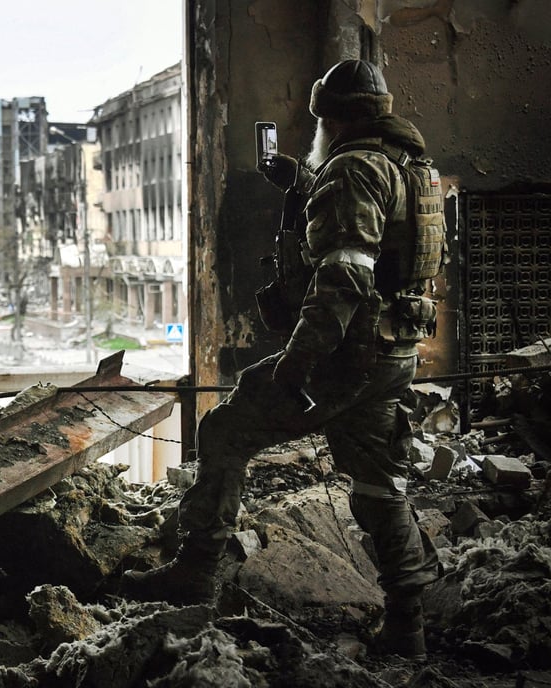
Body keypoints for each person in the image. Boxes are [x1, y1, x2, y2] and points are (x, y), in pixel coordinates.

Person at [121, 59, 442, 661]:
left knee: (223, 432)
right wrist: (301, 184)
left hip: (343, 360)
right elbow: (387, 250)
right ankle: (409, 625)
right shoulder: (410, 167)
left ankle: (196, 574)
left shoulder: (350, 171)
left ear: (333, 118)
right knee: (378, 483)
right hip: (392, 352)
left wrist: (296, 367)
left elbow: (344, 277)